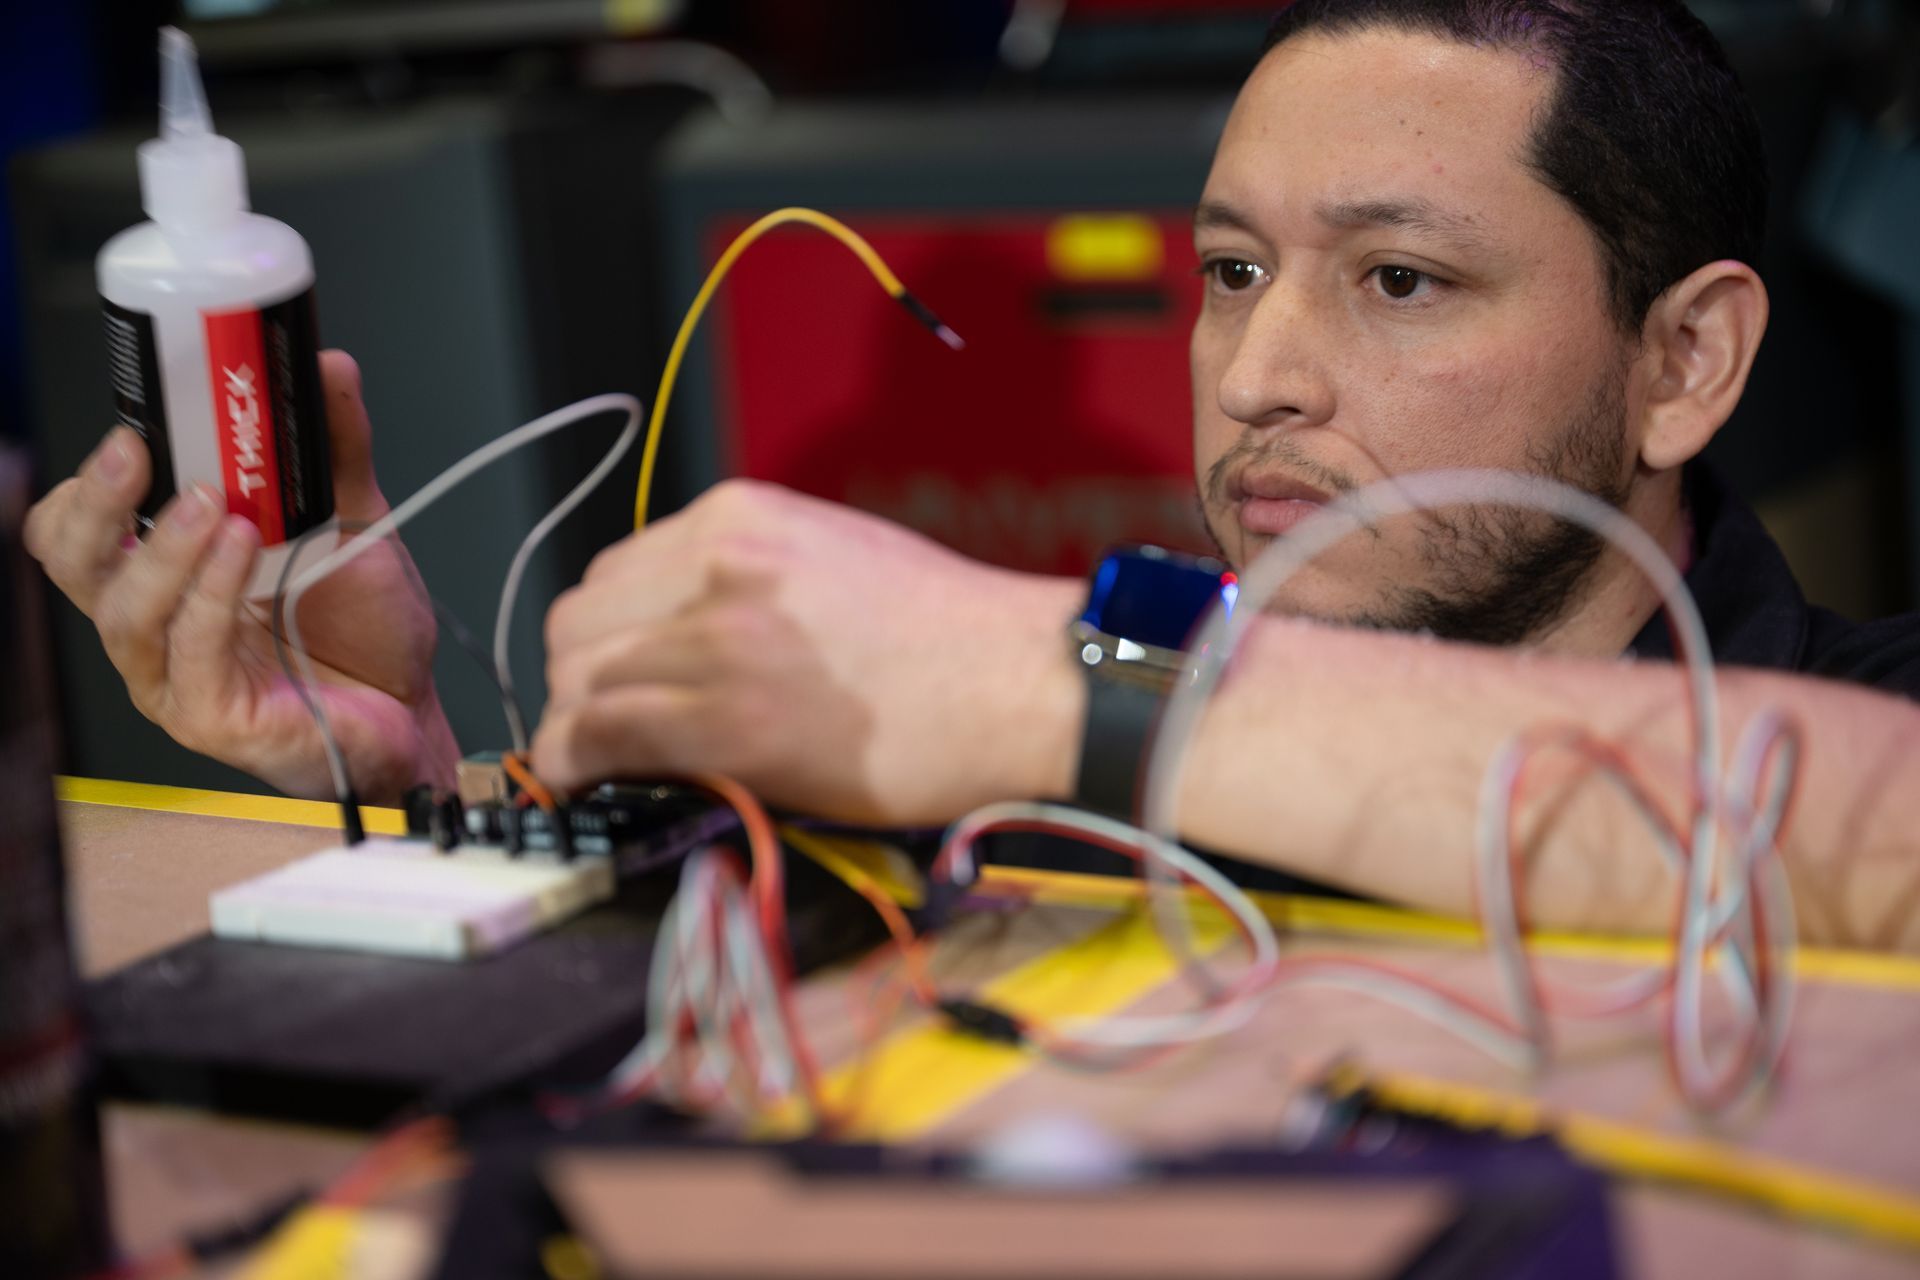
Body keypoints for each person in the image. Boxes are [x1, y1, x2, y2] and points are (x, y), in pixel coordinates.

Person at [25, 0, 1920, 947]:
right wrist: (420, 797)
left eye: (1401, 281)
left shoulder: (1865, 722)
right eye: (1233, 273)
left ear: (1686, 362)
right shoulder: (1049, 794)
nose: (1256, 378)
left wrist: (1041, 678)